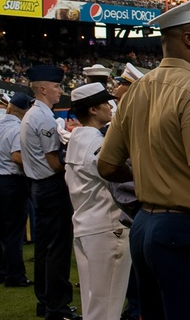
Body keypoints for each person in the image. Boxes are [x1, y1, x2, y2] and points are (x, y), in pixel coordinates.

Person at [98, 0, 190, 320]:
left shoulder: (137, 90)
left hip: (144, 226)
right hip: (183, 229)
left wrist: (148, 172)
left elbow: (107, 164)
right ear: (188, 38)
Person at [65, 83, 132, 320]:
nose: (110, 106)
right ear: (93, 110)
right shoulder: (95, 142)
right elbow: (120, 177)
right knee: (106, 309)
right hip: (106, 228)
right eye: (105, 103)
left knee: (94, 304)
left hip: (86, 226)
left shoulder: (77, 138)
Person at [21, 64, 80, 320]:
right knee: (57, 248)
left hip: (39, 186)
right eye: (56, 87)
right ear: (43, 88)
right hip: (52, 186)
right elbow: (54, 161)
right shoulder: (43, 118)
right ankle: (58, 306)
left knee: (45, 247)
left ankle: (45, 301)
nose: (60, 91)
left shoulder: (33, 115)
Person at [0, 92, 34, 287]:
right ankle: (15, 275)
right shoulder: (17, 128)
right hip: (11, 182)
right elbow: (16, 157)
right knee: (14, 231)